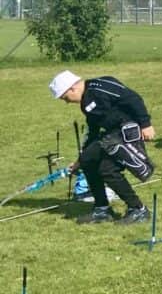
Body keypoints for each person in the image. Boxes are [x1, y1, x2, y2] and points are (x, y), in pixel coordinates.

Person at [49, 71, 154, 224]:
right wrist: (80, 159)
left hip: (126, 132)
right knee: (94, 164)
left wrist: (146, 125)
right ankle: (103, 209)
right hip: (111, 136)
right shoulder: (86, 103)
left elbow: (133, 98)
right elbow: (93, 131)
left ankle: (138, 210)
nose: (66, 102)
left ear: (72, 88)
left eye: (65, 98)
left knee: (105, 169)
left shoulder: (100, 87)